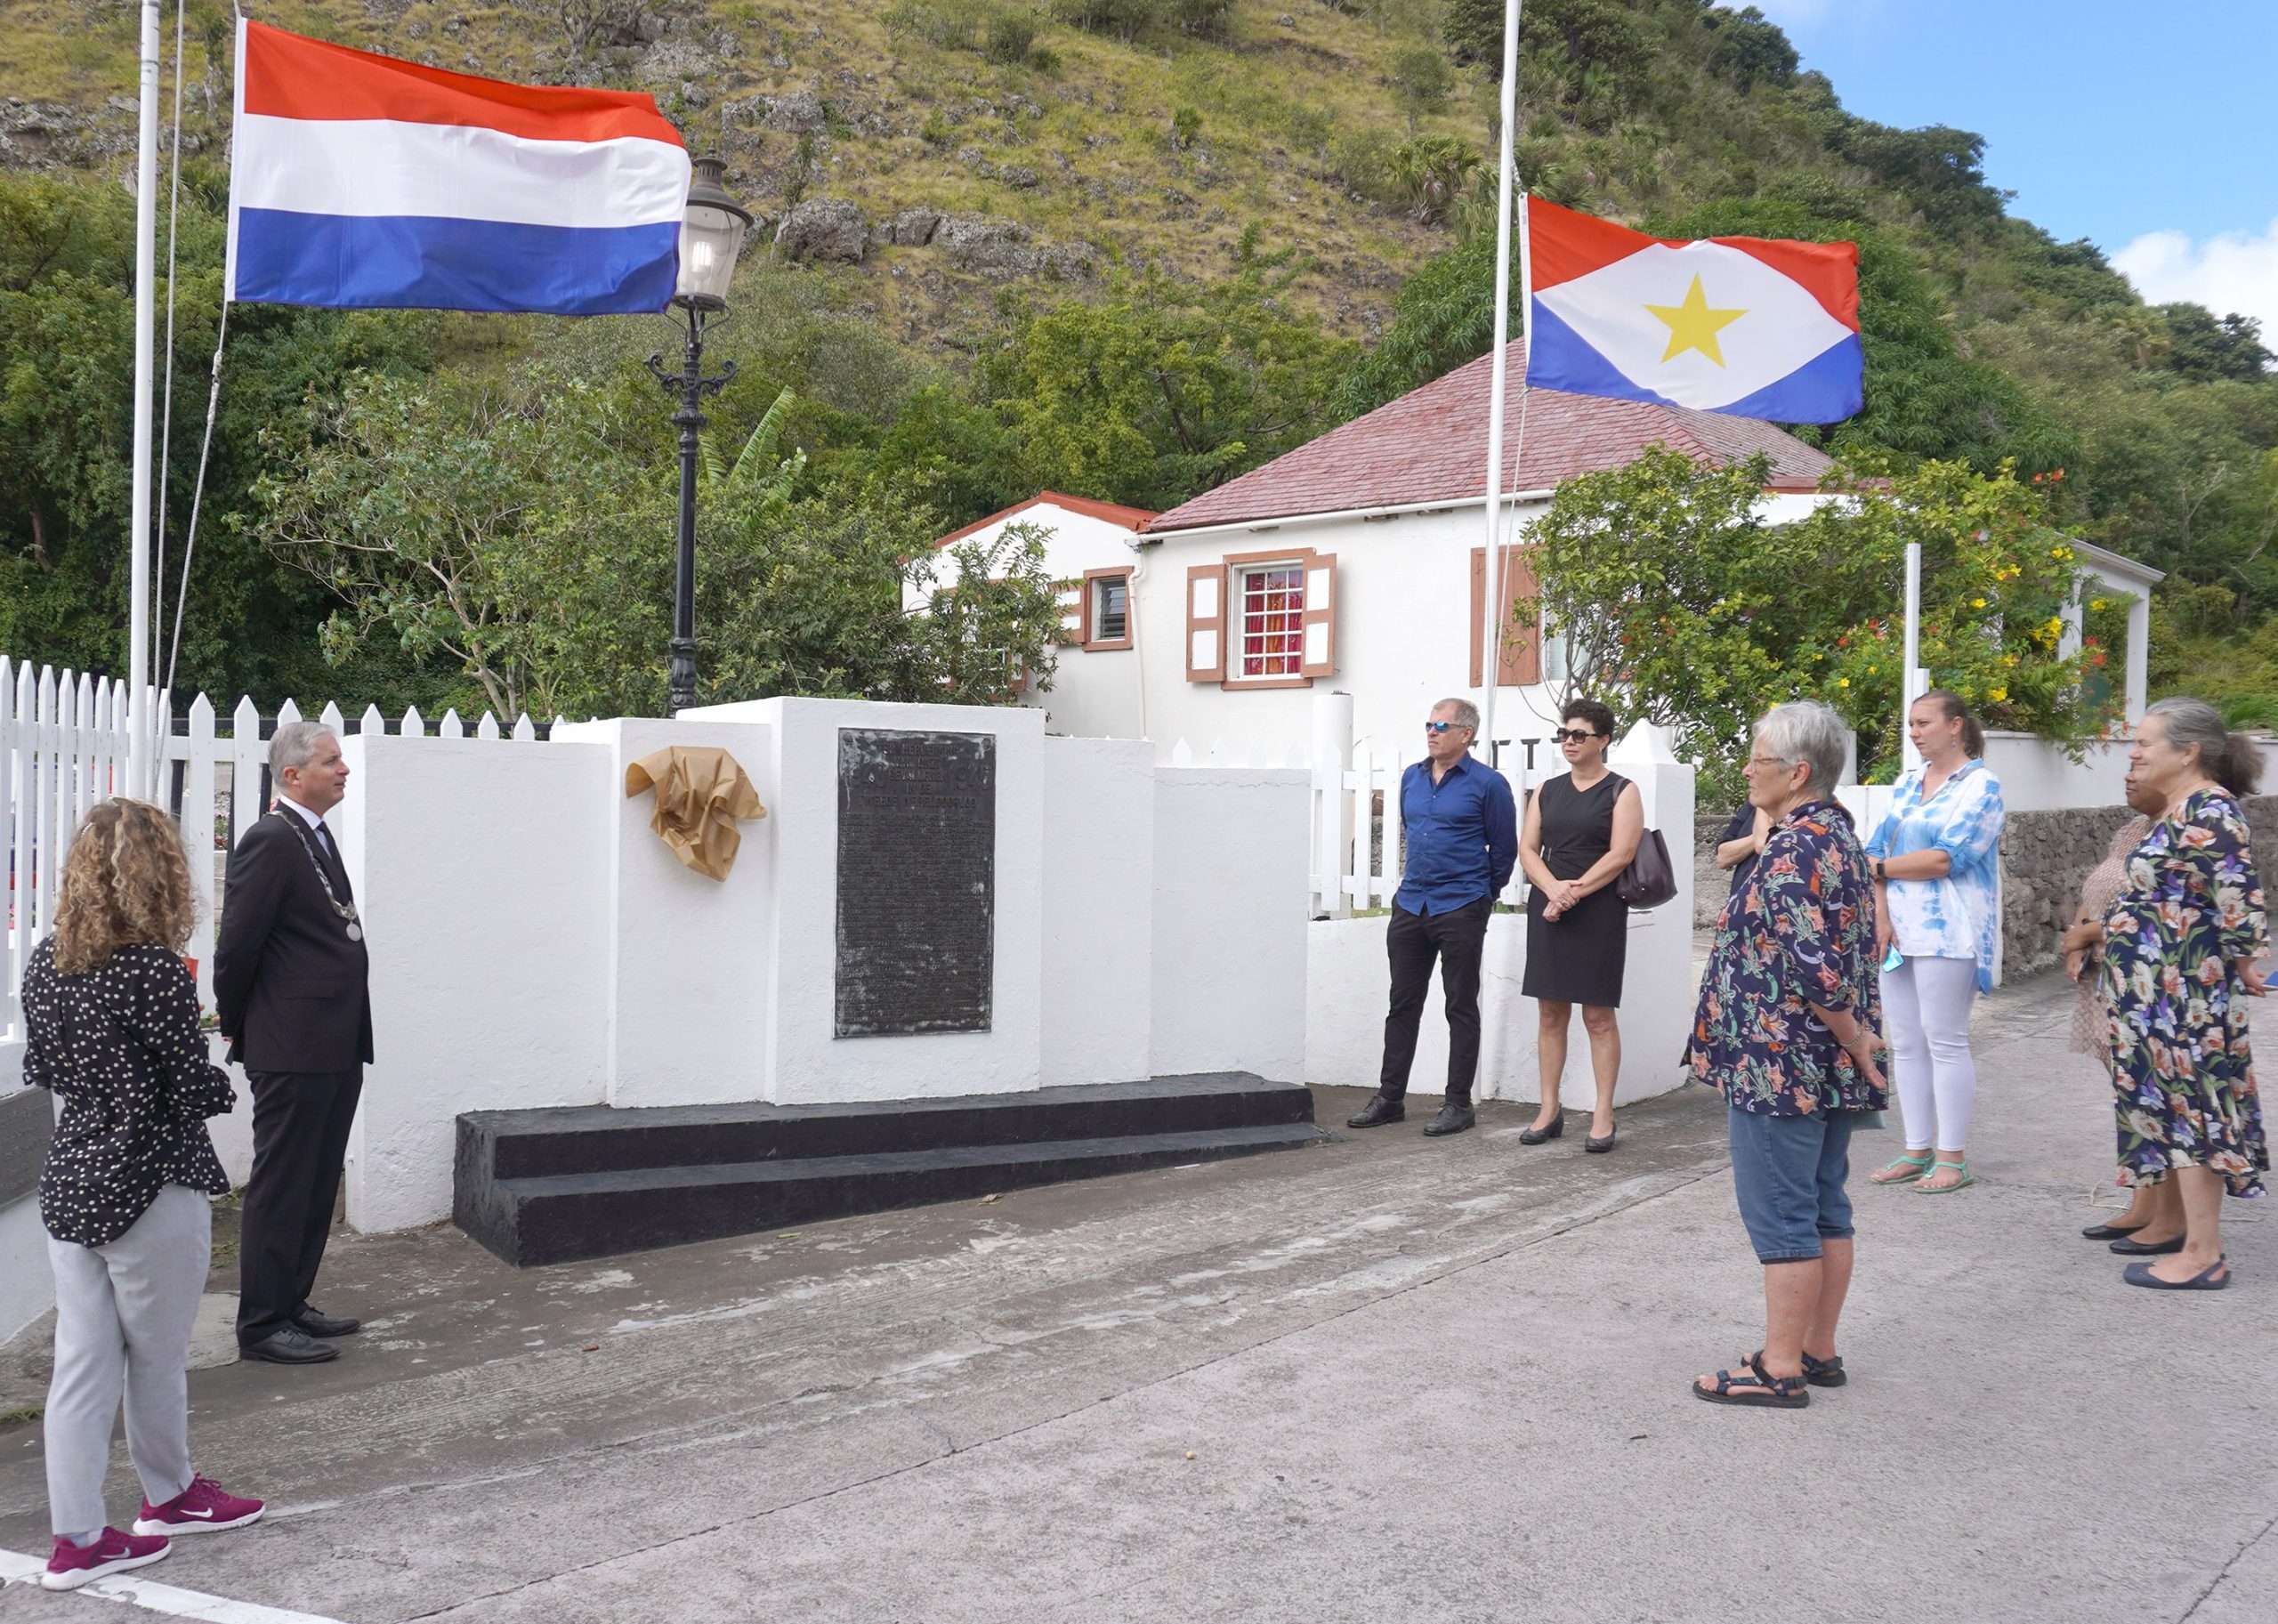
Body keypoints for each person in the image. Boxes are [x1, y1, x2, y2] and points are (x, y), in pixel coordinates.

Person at [25, 800, 264, 1590]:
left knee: (83, 1365)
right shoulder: (157, 974)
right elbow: (187, 1087)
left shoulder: (41, 961)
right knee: (158, 1358)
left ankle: (78, 1538)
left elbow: (48, 1073)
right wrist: (218, 1079)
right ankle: (169, 1498)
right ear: (157, 876)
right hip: (151, 1184)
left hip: (70, 1184)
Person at [1684, 703, 1886, 1409]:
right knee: (1825, 1203)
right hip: (1820, 1061)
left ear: (1797, 772)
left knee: (1783, 1212)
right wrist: (1856, 1039)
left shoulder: (1796, 846)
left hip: (1783, 1064)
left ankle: (1779, 1366)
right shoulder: (1837, 838)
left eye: (1758, 757)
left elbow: (1815, 964)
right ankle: (1816, 1347)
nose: (1746, 767)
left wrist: (1856, 1036)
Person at [2094, 698, 2268, 1289]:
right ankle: (2191, 1242)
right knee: (2178, 1116)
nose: (2136, 753)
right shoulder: (2178, 809)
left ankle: (2204, 1253)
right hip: (2159, 1000)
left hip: (2187, 1000)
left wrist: (2249, 962)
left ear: (2188, 750)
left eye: (2146, 743)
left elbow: (2239, 898)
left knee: (2197, 1119)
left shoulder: (2210, 809)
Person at [215, 721, 374, 1365]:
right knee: (284, 1182)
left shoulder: (312, 834)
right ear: (292, 775)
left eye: (341, 759)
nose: (343, 769)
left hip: (333, 1038)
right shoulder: (269, 840)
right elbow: (237, 946)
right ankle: (260, 1323)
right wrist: (236, 1021)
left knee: (315, 1181)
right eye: (332, 761)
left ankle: (291, 1301)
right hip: (292, 1042)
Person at [1346, 698, 1518, 1139]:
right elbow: (1410, 829)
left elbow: (1504, 851)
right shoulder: (1412, 777)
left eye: (1441, 725)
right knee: (1402, 1003)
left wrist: (1482, 897)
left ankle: (1458, 1104)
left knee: (1460, 1004)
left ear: (1466, 734)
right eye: (1428, 724)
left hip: (1461, 904)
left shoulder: (1489, 784)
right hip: (1412, 902)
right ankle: (1390, 1099)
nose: (1431, 731)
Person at [1862, 691, 2006, 1193]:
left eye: (1923, 722)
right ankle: (1916, 1150)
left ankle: (1952, 1158)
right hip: (1897, 931)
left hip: (1951, 929)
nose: (1914, 731)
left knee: (1944, 1040)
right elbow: (1874, 848)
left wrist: (1879, 868)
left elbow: (1951, 858)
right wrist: (1880, 915)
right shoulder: (1906, 783)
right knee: (1906, 1043)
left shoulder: (1982, 787)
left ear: (1955, 726)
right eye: (1911, 723)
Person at [1517, 698, 1643, 1153]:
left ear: (1603, 741)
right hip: (1550, 901)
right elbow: (1528, 849)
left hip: (1598, 906)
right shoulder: (1547, 790)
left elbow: (1621, 854)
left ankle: (1603, 1112)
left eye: (1578, 735)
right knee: (1551, 1013)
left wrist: (1573, 893)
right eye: (1564, 734)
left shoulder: (1622, 790)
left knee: (1598, 1017)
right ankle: (1549, 1110)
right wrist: (1553, 890)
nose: (1568, 742)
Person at [2059, 771, 2172, 1243]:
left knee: (2153, 1093)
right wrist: (2077, 936)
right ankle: (2143, 1202)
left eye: (2142, 761)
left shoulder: (2175, 832)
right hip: (2109, 979)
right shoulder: (2132, 831)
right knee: (2129, 1094)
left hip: (2145, 981)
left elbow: (2161, 914)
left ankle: (2166, 1211)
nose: (2129, 773)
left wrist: (2090, 934)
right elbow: (2098, 894)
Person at [1715, 800, 1773, 900]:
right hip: (1741, 901)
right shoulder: (1752, 805)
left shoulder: (1798, 811)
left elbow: (1762, 844)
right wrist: (1757, 833)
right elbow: (1723, 857)